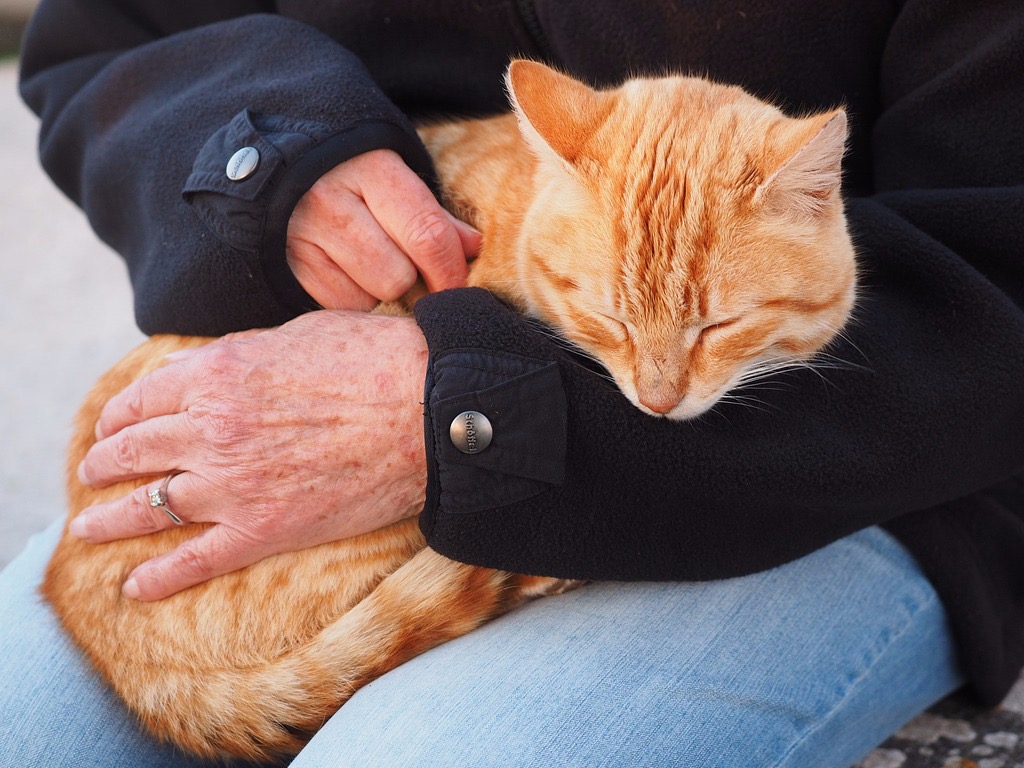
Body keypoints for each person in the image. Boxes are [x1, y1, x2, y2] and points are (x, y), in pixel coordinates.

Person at [3, 1, 1022, 766]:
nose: (660, 388)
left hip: (865, 451)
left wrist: (475, 414)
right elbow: (106, 35)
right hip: (349, 355)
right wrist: (269, 155)